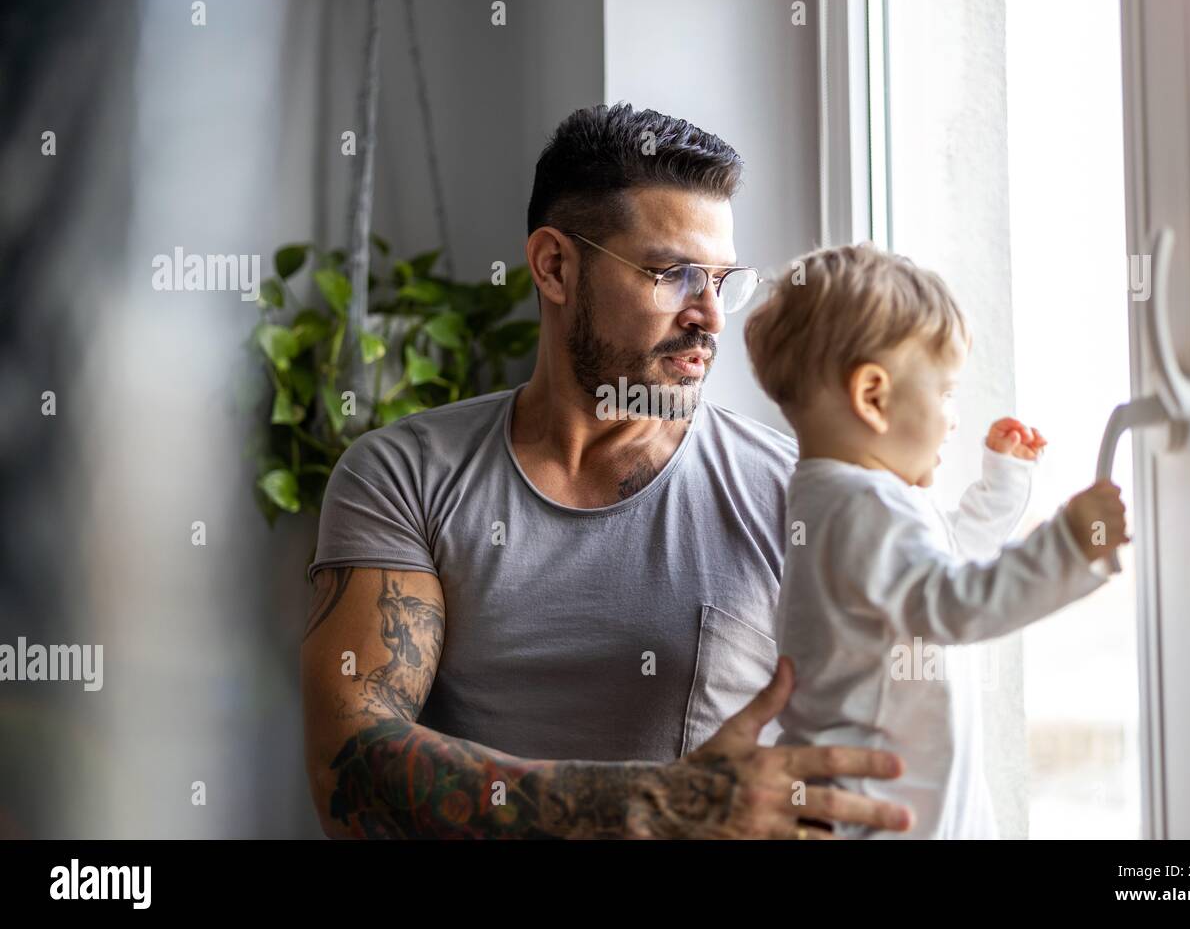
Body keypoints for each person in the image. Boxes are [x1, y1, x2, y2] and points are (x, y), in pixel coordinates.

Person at [299, 103, 914, 838]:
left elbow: (873, 767)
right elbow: (349, 769)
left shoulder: (798, 493)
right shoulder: (402, 475)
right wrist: (658, 806)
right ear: (555, 266)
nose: (710, 317)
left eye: (722, 281)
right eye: (673, 274)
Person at [744, 242, 1128, 838]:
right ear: (873, 397)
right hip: (879, 811)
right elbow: (953, 603)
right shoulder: (863, 506)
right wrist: (1070, 545)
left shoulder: (835, 497)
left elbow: (938, 563)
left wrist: (1001, 487)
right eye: (945, 392)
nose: (953, 416)